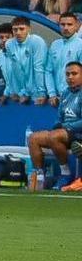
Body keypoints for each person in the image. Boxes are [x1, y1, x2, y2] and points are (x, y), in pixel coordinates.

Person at [28, 61, 82, 191]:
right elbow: (59, 118)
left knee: (54, 136)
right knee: (33, 138)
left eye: (74, 74)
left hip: (78, 133)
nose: (70, 77)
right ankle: (40, 178)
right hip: (64, 133)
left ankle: (65, 174)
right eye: (67, 74)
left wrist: (65, 126)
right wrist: (58, 125)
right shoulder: (65, 93)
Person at [6, 15, 48, 104]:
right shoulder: (9, 44)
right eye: (15, 29)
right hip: (23, 94)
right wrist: (18, 92)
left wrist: (41, 93)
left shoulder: (37, 41)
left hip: (40, 93)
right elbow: (15, 71)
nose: (18, 32)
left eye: (21, 29)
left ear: (29, 29)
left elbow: (39, 68)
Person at [46, 13, 82, 107]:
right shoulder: (55, 45)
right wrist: (52, 94)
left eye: (69, 24)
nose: (66, 28)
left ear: (76, 25)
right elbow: (48, 71)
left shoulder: (80, 45)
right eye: (62, 24)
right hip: (56, 99)